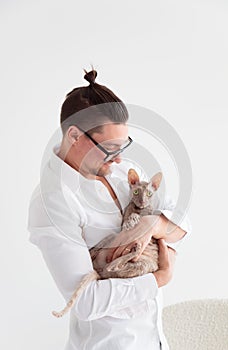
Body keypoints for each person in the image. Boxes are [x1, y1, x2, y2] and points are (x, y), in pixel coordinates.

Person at [27, 68, 191, 350]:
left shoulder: (124, 171)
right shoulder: (52, 201)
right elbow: (86, 301)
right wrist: (158, 278)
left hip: (155, 341)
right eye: (109, 148)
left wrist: (151, 226)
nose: (119, 159)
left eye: (123, 146)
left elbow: (182, 222)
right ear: (75, 136)